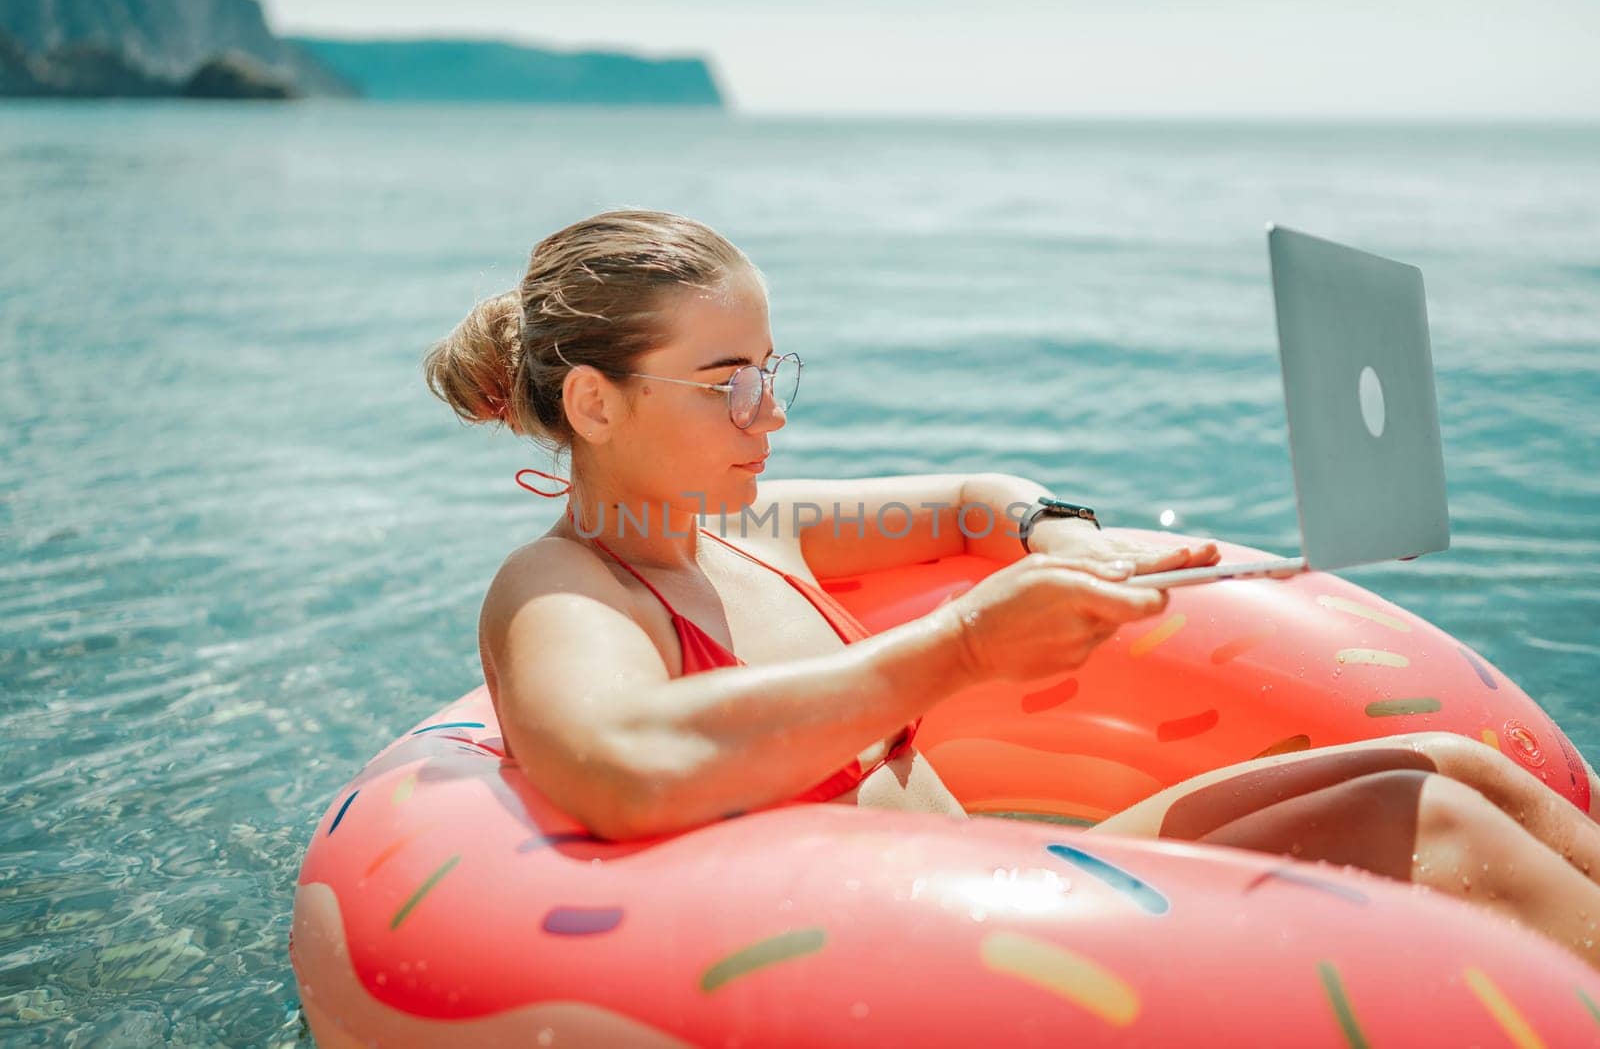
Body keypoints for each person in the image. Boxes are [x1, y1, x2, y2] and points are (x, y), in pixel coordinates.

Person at [425, 209, 1600, 971]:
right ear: (594, 403)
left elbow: (968, 498)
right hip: (938, 955)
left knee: (1451, 769)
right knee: (1429, 826)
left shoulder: (752, 525)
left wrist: (1056, 538)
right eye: (727, 382)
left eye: (771, 371)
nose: (769, 413)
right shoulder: (565, 588)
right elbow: (620, 760)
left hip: (1009, 875)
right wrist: (965, 649)